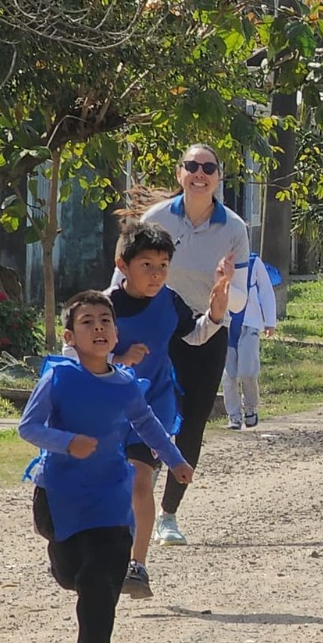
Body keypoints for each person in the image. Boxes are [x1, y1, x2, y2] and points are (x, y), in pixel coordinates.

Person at [19, 291, 193, 643]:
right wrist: (68, 443)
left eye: (105, 321)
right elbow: (28, 427)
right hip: (59, 492)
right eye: (87, 322)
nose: (98, 327)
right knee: (72, 574)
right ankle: (72, 573)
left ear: (116, 335)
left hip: (111, 494)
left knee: (105, 568)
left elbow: (147, 424)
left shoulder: (128, 385)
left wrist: (176, 459)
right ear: (69, 336)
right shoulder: (58, 378)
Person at [108, 223, 231, 600]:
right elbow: (73, 354)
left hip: (152, 407)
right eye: (147, 264)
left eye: (163, 264)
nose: (157, 273)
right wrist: (117, 357)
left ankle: (137, 565)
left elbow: (192, 335)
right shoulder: (102, 306)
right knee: (105, 487)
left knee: (139, 479)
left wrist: (214, 313)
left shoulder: (169, 301)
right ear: (123, 265)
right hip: (107, 408)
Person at [136, 144, 248, 546]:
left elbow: (240, 299)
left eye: (209, 168)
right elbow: (125, 275)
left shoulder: (234, 228)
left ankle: (168, 515)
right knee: (147, 415)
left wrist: (223, 289)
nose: (200, 174)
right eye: (192, 166)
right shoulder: (156, 219)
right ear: (179, 172)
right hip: (157, 329)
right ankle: (138, 501)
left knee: (192, 421)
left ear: (219, 177)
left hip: (208, 329)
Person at [223, 252, 279, 430]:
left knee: (247, 371)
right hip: (225, 325)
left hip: (250, 324)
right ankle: (234, 416)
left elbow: (266, 291)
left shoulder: (254, 262)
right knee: (229, 374)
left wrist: (270, 321)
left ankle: (250, 408)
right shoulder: (217, 259)